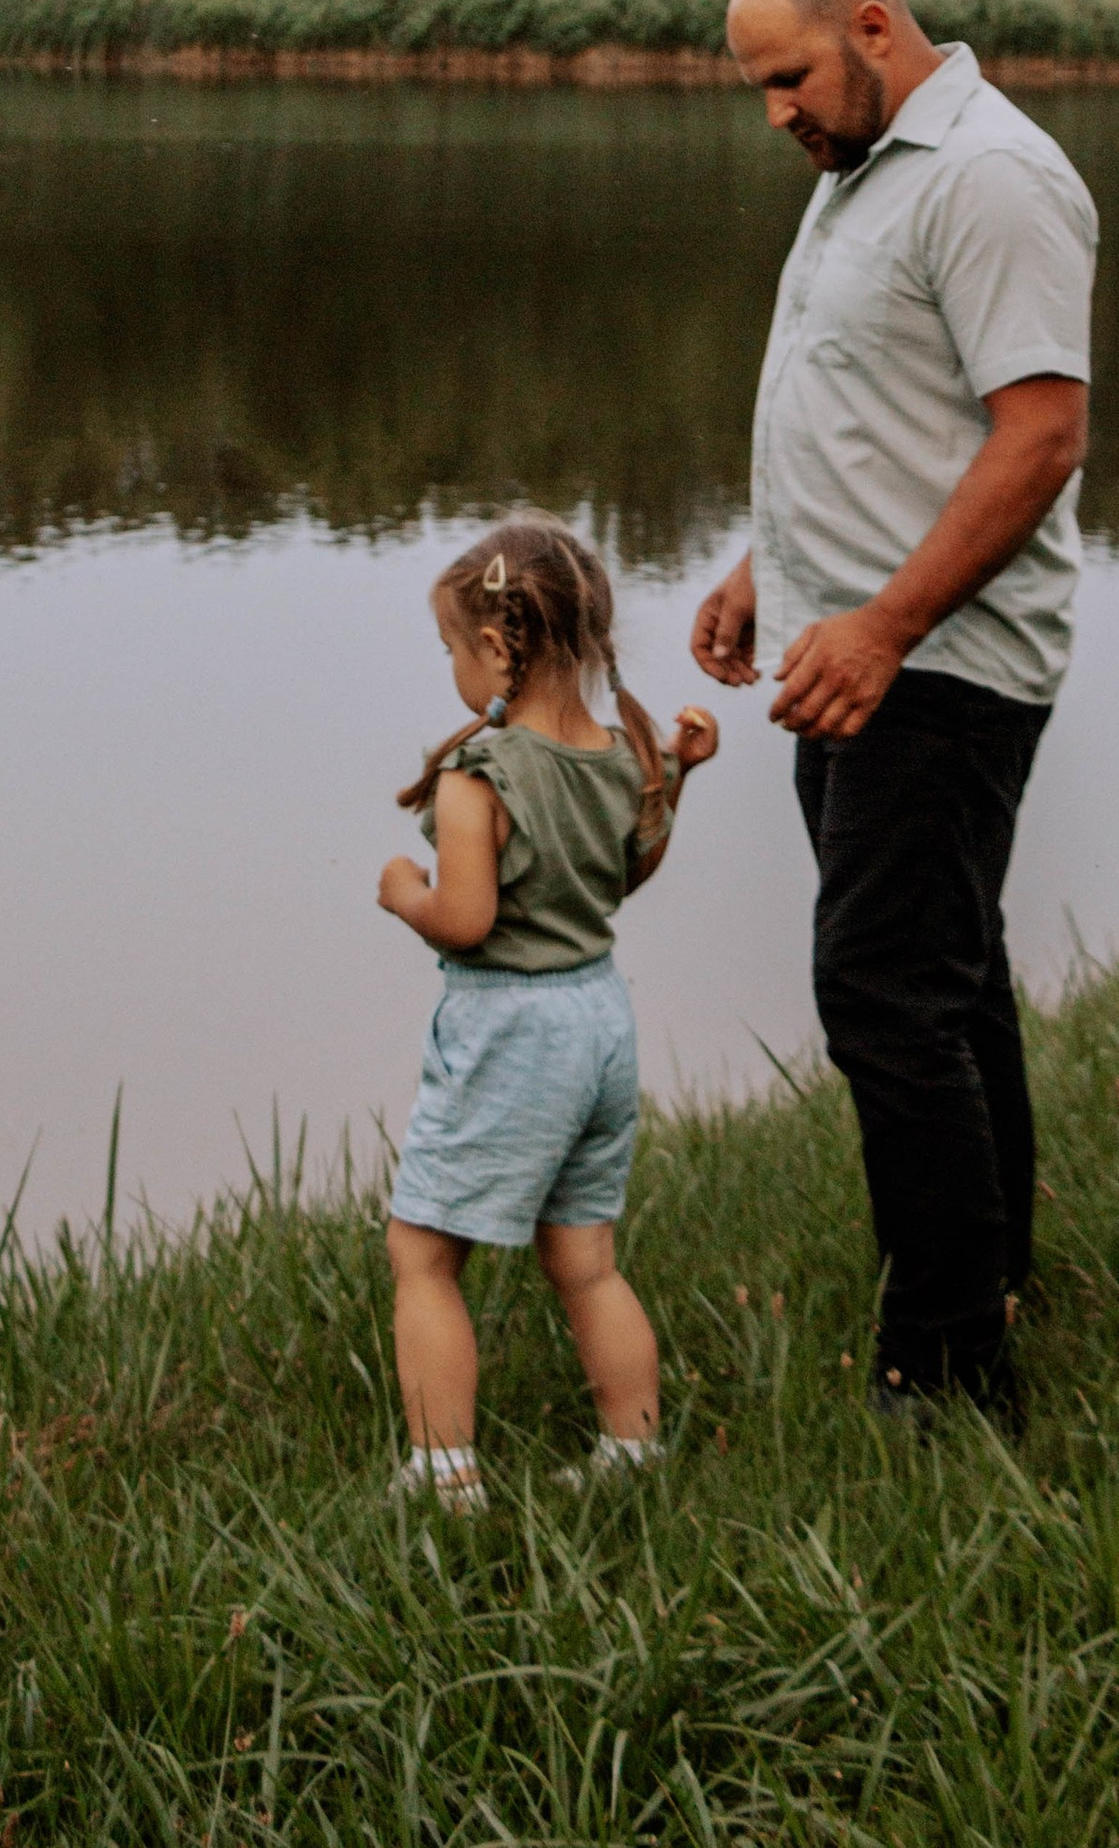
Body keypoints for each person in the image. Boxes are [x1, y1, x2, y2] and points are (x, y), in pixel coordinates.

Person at [691, 0, 1096, 1422]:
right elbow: (868, 405)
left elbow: (1039, 437)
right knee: (947, 971)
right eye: (758, 89)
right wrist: (769, 569)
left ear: (872, 27)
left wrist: (881, 628)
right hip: (854, 645)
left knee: (883, 993)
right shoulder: (862, 171)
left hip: (942, 659)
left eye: (788, 76)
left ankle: (947, 1372)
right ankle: (991, 1275)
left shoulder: (990, 177)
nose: (776, 112)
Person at [376, 511, 720, 1512]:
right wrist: (679, 779)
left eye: (451, 647)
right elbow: (626, 873)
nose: (450, 667)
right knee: (584, 1258)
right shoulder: (620, 755)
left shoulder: (474, 778)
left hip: (514, 1029)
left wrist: (405, 892)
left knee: (424, 1253)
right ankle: (632, 1451)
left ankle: (443, 1474)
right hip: (599, 1023)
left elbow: (468, 919)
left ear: (493, 647)